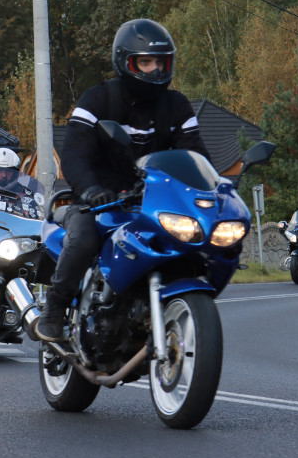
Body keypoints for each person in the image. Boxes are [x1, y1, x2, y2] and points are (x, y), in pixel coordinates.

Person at [35, 18, 211, 342]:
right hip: (99, 201)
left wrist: (214, 188)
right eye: (145, 62)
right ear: (125, 61)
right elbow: (73, 152)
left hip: (151, 203)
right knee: (85, 239)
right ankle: (55, 309)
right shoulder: (99, 100)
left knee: (192, 245)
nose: (155, 70)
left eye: (161, 62)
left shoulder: (177, 106)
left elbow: (195, 155)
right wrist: (89, 189)